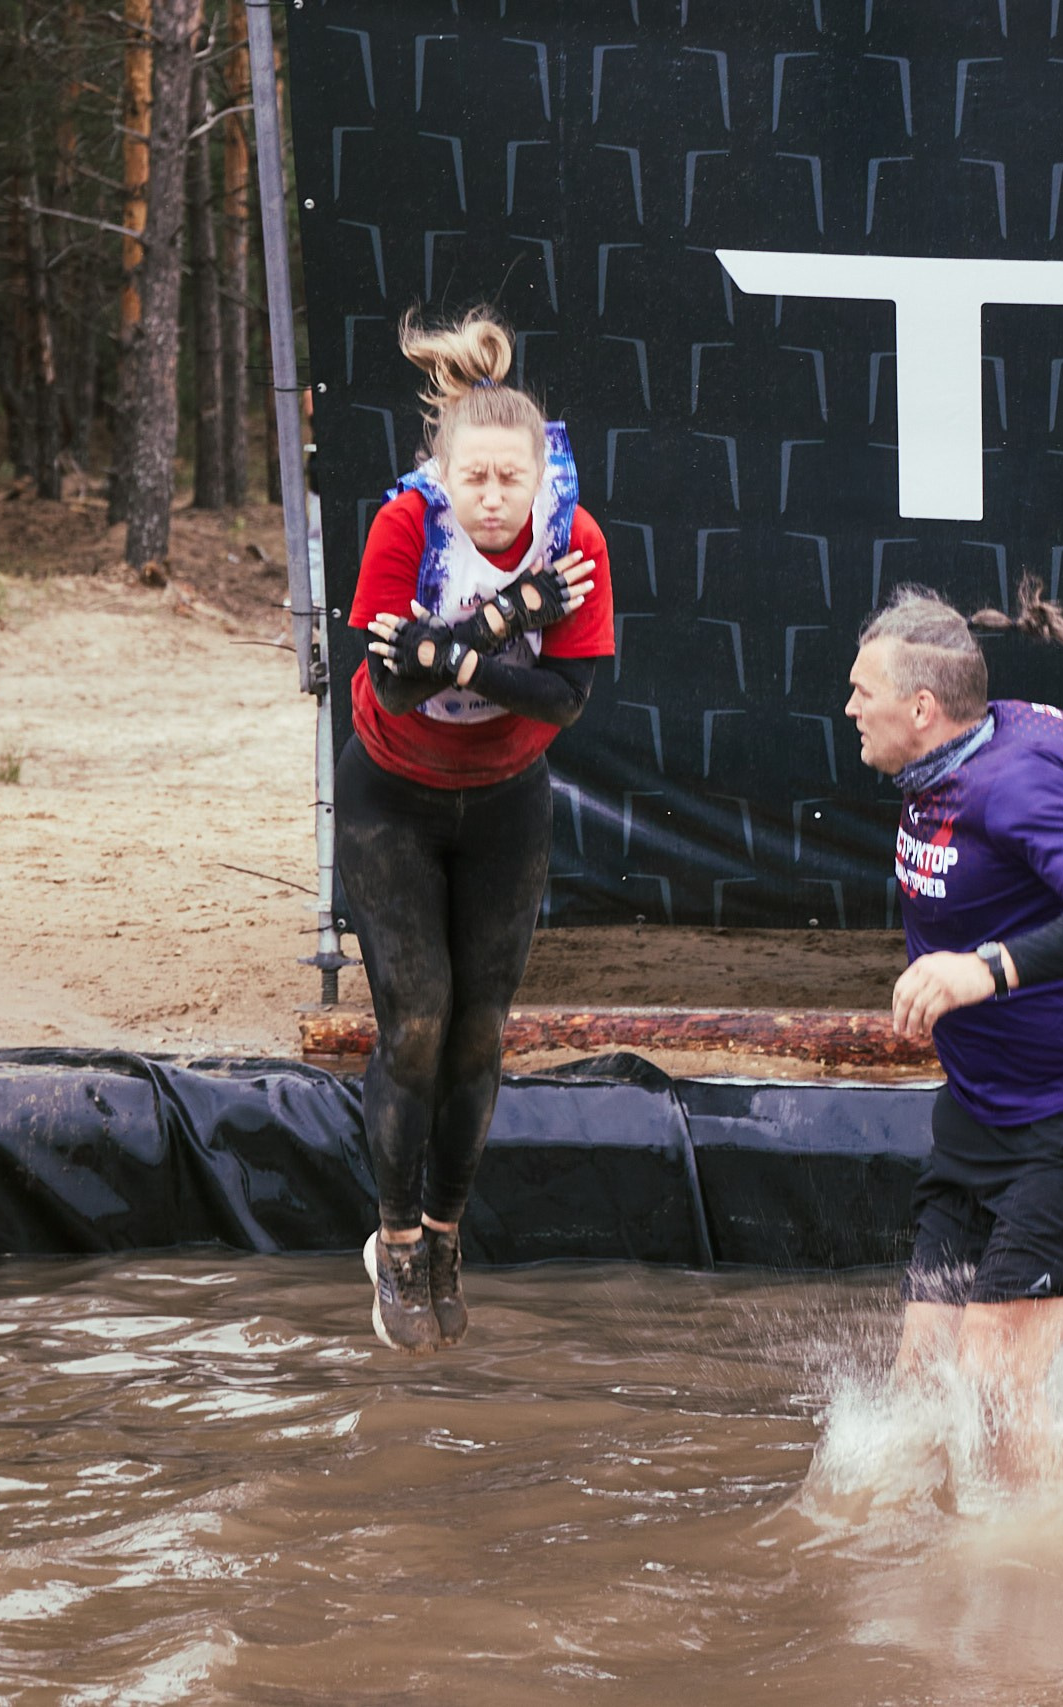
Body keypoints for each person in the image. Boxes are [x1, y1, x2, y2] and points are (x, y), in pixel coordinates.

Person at [845, 582, 1063, 1481]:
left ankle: (1050, 1583)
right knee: (919, 1381)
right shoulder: (975, 743)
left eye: (861, 692)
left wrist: (984, 969)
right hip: (979, 1119)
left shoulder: (1012, 782)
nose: (849, 710)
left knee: (993, 1382)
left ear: (922, 708)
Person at [343, 306, 613, 1352]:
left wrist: (453, 651)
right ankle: (394, 1241)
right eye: (477, 479)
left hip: (506, 797)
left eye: (514, 479)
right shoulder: (405, 528)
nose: (495, 497)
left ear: (542, 478)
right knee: (414, 1022)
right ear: (443, 475)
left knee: (481, 1034)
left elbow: (564, 702)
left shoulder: (572, 541)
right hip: (393, 792)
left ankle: (447, 1234)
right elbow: (391, 684)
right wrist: (504, 621)